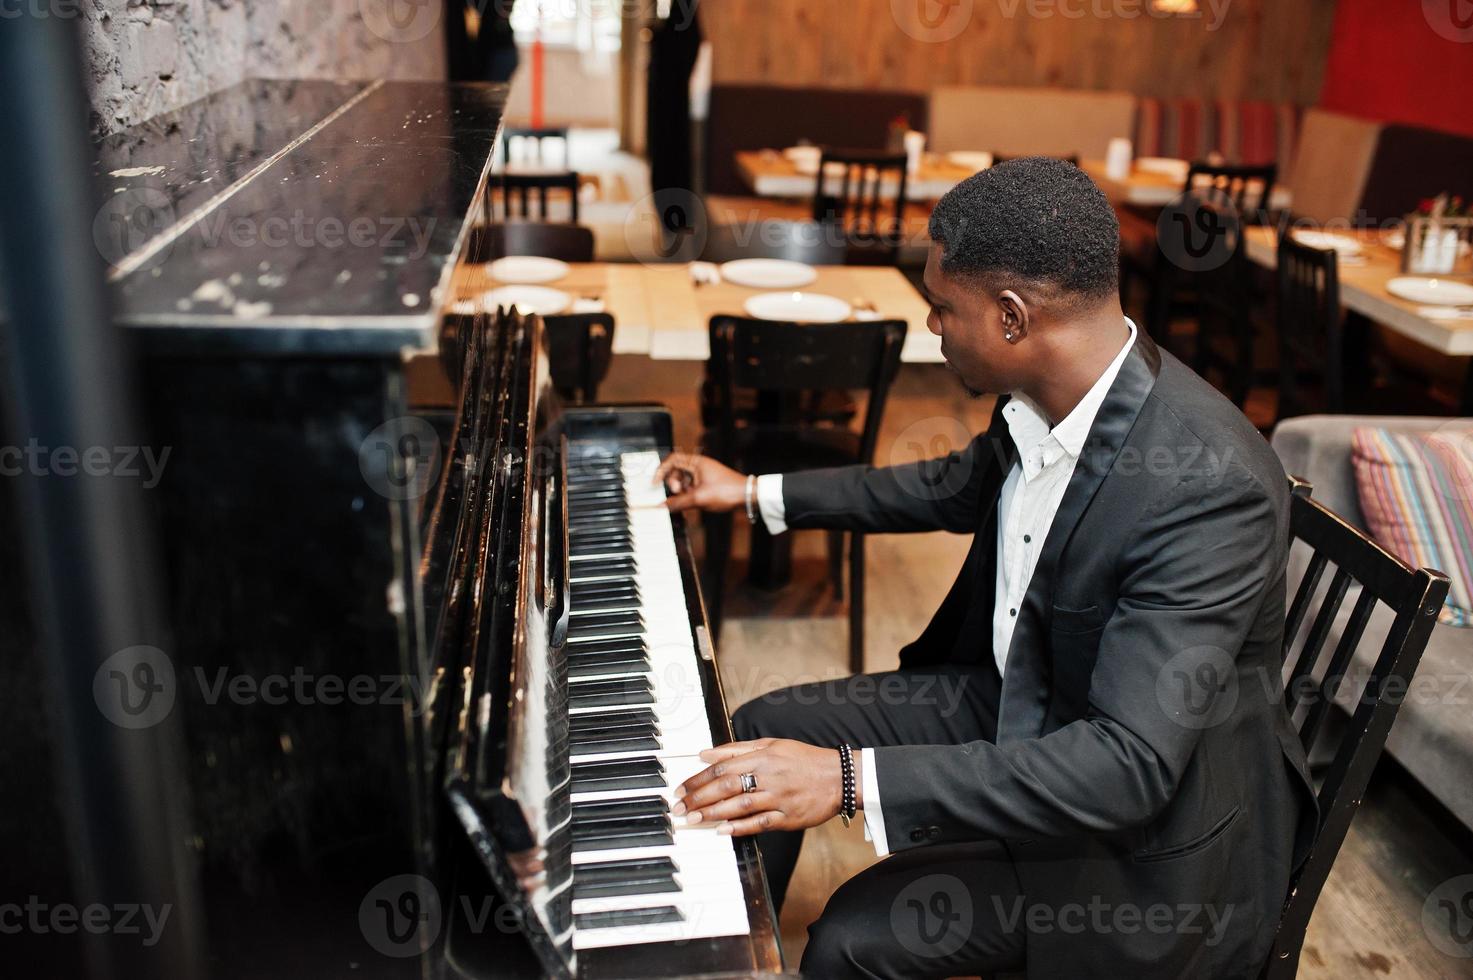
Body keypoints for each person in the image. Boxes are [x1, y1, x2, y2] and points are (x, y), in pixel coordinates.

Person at [653, 158, 1317, 979]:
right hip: (1029, 699)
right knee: (756, 735)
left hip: (1142, 845)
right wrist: (748, 491)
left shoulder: (1206, 487)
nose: (932, 325)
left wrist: (850, 780)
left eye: (940, 308)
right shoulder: (1048, 399)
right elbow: (942, 485)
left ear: (1010, 318)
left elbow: (1128, 767)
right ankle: (717, 956)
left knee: (849, 942)